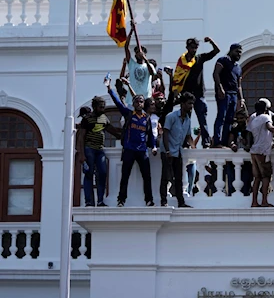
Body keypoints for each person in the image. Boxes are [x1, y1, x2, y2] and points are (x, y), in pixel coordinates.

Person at [106, 77, 158, 207]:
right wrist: (109, 89)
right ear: (134, 104)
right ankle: (121, 200)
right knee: (125, 176)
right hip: (129, 149)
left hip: (142, 150)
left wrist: (154, 147)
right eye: (137, 102)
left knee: (147, 176)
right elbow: (118, 103)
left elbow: (150, 135)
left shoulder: (146, 118)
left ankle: (149, 200)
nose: (139, 103)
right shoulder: (129, 114)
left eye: (141, 102)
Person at [173, 37, 221, 148]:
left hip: (199, 94)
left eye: (195, 47)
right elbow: (177, 77)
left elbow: (216, 51)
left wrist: (211, 41)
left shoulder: (200, 58)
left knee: (202, 119)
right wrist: (176, 93)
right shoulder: (182, 61)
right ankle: (185, 142)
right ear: (187, 47)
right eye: (191, 47)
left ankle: (206, 142)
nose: (194, 50)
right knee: (185, 119)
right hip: (186, 95)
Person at [77, 100, 119, 207]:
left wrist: (126, 131)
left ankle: (100, 200)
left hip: (100, 150)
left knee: (102, 174)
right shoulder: (87, 119)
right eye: (100, 107)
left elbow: (112, 130)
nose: (102, 109)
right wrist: (81, 154)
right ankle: (89, 202)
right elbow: (81, 137)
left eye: (103, 107)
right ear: (95, 107)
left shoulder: (104, 118)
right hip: (89, 149)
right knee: (89, 174)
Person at [160, 92, 196, 208]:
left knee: (179, 177)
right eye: (189, 103)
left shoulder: (188, 120)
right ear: (182, 104)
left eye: (192, 104)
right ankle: (163, 201)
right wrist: (167, 151)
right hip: (168, 151)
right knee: (165, 177)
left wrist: (195, 148)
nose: (191, 106)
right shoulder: (171, 116)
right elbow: (165, 133)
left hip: (178, 151)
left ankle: (181, 202)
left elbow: (188, 137)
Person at [247, 100, 274, 207]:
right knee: (266, 176)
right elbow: (270, 128)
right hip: (262, 151)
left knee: (257, 177)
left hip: (254, 150)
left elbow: (249, 133)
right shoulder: (265, 117)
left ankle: (254, 201)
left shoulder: (253, 119)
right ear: (265, 109)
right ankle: (264, 201)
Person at [213, 43, 244, 148]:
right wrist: (219, 88)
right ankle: (217, 141)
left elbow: (239, 85)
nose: (239, 54)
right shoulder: (222, 60)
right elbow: (216, 74)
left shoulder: (238, 67)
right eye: (237, 52)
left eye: (240, 52)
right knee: (221, 116)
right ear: (231, 51)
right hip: (224, 93)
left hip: (234, 95)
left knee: (230, 119)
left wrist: (241, 98)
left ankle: (225, 141)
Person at [120, 29, 156, 106]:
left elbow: (152, 73)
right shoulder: (132, 64)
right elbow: (126, 47)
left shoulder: (149, 65)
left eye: (141, 53)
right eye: (137, 53)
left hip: (146, 99)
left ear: (145, 55)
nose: (139, 54)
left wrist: (145, 59)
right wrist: (131, 31)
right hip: (132, 100)